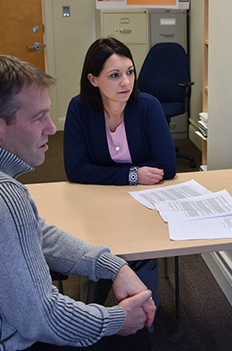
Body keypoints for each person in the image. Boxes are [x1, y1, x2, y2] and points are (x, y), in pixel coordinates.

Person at [0, 55, 155, 351]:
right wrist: (117, 320)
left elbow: (38, 235)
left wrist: (113, 266)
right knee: (134, 339)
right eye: (39, 117)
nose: (52, 129)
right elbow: (43, 317)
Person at [63, 38, 177, 314]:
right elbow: (75, 169)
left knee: (141, 255)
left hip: (144, 203)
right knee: (95, 254)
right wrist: (133, 174)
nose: (126, 82)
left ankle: (148, 312)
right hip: (96, 202)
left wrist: (109, 175)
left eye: (130, 72)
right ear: (93, 79)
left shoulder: (147, 106)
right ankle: (94, 308)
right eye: (114, 75)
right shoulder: (79, 109)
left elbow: (167, 166)